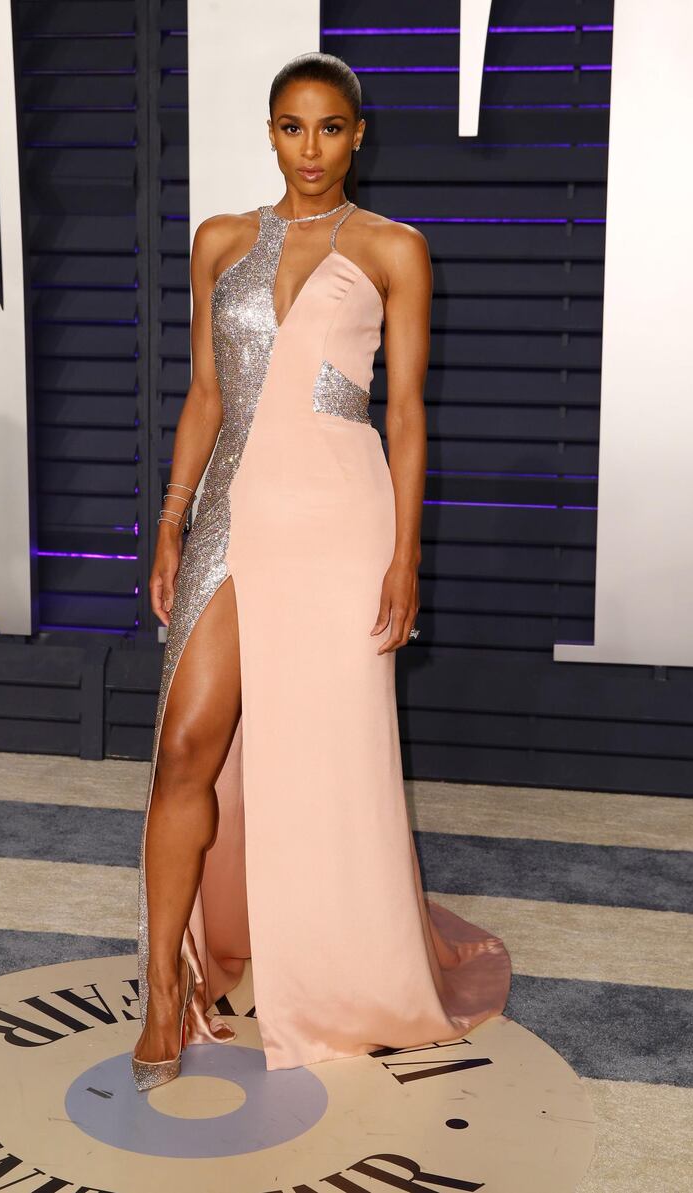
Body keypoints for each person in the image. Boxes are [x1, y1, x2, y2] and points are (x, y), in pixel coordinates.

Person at [132, 51, 511, 1092]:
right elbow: (207, 395)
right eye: (292, 128)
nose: (311, 149)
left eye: (331, 128)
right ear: (269, 133)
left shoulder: (393, 249)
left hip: (340, 519)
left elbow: (403, 412)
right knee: (183, 748)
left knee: (323, 754)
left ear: (357, 135)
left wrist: (405, 554)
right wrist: (171, 522)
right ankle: (166, 986)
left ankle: (335, 956)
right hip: (231, 513)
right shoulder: (219, 240)